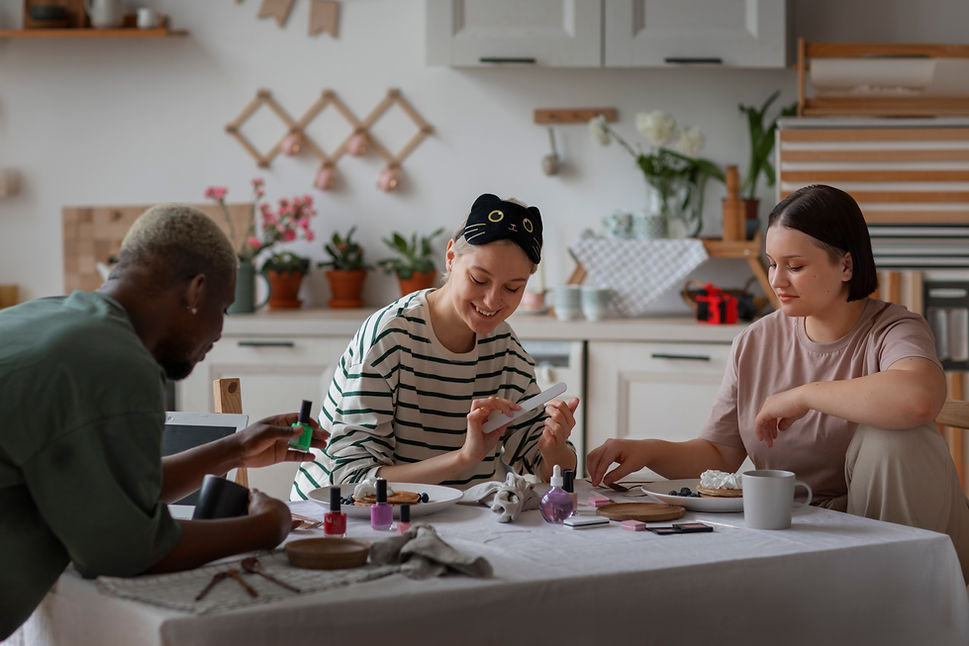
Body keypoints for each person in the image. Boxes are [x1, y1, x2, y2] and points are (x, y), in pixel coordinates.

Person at [587, 184, 969, 580]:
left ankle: (905, 610)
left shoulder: (894, 329)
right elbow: (721, 453)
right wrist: (648, 450)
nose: (776, 280)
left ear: (846, 266)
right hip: (808, 530)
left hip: (914, 539)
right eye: (772, 263)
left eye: (795, 266)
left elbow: (918, 399)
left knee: (893, 436)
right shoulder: (755, 342)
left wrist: (804, 396)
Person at [0, 204, 327, 639]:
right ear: (196, 291)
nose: (219, 331)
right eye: (224, 308)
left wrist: (235, 448)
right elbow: (126, 551)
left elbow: (110, 494)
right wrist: (267, 526)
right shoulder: (116, 363)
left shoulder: (47, 317)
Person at [291, 193, 578, 497]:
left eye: (513, 288)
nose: (493, 301)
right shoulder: (390, 336)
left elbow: (549, 469)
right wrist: (463, 459)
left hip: (440, 519)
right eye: (479, 280)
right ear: (451, 257)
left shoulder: (505, 350)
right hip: (336, 520)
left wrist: (553, 450)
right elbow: (353, 480)